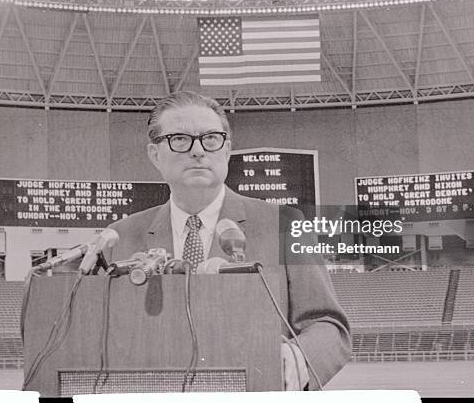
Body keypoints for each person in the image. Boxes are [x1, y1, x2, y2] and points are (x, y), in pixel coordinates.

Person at [108, 91, 351, 390]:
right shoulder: (121, 235)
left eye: (211, 138)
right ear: (155, 154)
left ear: (226, 151)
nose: (198, 151)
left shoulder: (286, 223)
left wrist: (299, 356)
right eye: (180, 139)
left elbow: (329, 324)